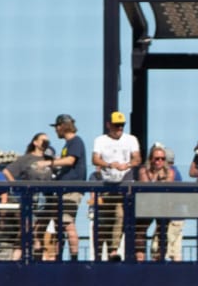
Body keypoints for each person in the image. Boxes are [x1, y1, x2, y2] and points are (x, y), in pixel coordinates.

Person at [90, 111, 139, 260]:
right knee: (103, 219)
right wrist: (110, 164)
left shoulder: (131, 139)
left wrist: (127, 165)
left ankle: (113, 250)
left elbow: (137, 158)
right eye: (116, 125)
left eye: (122, 125)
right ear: (109, 125)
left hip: (123, 184)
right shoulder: (100, 140)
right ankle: (98, 254)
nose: (119, 128)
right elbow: (95, 159)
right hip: (105, 185)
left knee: (119, 214)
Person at [47, 113, 88, 260]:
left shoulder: (76, 141)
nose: (56, 130)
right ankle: (59, 256)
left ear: (62, 126)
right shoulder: (68, 144)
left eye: (57, 127)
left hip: (71, 190)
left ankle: (74, 258)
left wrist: (49, 163)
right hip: (63, 190)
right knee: (60, 225)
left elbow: (70, 161)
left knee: (68, 223)